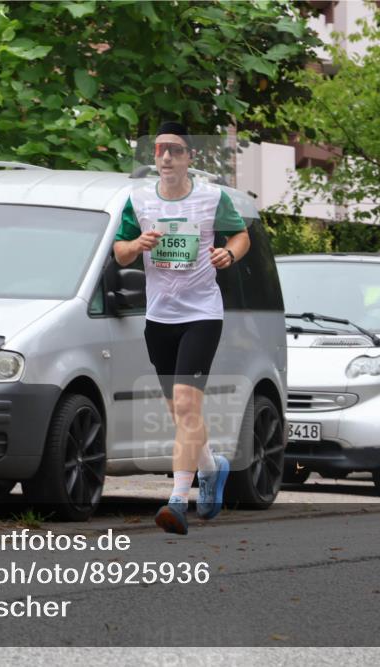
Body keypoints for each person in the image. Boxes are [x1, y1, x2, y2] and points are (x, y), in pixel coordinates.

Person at [112, 122, 251, 535]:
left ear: (190, 157)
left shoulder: (211, 197)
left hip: (202, 314)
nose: (167, 157)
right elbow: (119, 254)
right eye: (160, 151)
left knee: (188, 407)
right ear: (154, 159)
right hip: (159, 318)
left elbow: (241, 236)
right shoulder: (138, 200)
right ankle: (212, 467)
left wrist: (228, 253)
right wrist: (137, 246)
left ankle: (176, 501)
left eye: (175, 150)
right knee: (179, 413)